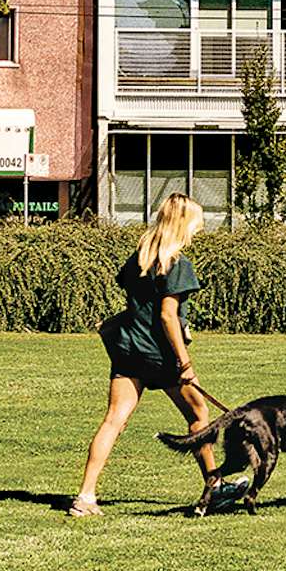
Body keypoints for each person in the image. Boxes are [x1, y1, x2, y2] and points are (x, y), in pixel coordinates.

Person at [68, 192, 220, 517]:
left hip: (129, 352)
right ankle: (214, 487)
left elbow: (134, 299)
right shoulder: (177, 263)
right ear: (184, 224)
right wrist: (185, 363)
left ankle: (85, 497)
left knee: (113, 421)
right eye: (196, 224)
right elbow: (167, 315)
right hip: (159, 355)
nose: (198, 230)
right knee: (198, 416)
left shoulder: (141, 255)